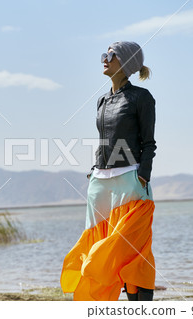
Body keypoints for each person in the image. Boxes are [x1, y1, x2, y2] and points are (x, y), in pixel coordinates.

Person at [60, 41, 157, 301]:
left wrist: (143, 174)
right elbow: (104, 140)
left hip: (130, 178)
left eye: (111, 55)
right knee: (96, 248)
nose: (105, 58)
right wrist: (94, 171)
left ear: (124, 63)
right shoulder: (102, 100)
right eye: (105, 54)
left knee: (132, 250)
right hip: (100, 182)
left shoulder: (141, 98)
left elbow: (149, 143)